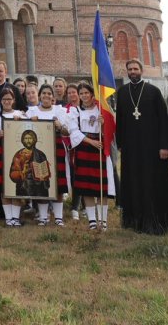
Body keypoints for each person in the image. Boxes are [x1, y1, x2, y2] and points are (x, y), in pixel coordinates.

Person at [115, 61, 168, 235]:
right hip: (131, 147)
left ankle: (157, 219)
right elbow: (120, 119)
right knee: (134, 181)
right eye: (130, 69)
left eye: (135, 69)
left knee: (153, 182)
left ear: (141, 71)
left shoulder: (153, 91)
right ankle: (135, 220)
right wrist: (120, 143)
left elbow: (163, 119)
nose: (133, 71)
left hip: (153, 147)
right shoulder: (122, 92)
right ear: (127, 72)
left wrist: (164, 145)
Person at [70, 81, 118, 230]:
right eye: (81, 93)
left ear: (92, 94)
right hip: (84, 148)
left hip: (100, 149)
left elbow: (111, 130)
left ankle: (103, 221)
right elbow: (74, 131)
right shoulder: (76, 111)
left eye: (86, 93)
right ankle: (92, 221)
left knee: (101, 187)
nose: (84, 96)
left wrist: (103, 123)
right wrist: (91, 142)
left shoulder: (101, 109)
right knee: (87, 186)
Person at [28, 85, 74, 226]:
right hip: (38, 151)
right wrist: (30, 122)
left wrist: (60, 126)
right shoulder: (32, 111)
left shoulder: (59, 111)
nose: (46, 96)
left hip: (56, 148)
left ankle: (58, 217)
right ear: (40, 95)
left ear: (53, 97)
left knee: (58, 182)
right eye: (44, 93)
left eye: (49, 93)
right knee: (41, 181)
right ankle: (43, 217)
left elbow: (67, 132)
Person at [0, 88, 26, 226]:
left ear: (13, 100)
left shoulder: (21, 115)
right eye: (4, 99)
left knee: (17, 183)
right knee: (4, 186)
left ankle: (16, 218)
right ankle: (9, 219)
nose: (7, 101)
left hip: (18, 153)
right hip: (0, 152)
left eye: (9, 99)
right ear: (0, 101)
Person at [8, 127, 50, 199]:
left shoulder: (41, 154)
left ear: (34, 139)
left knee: (41, 202)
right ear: (23, 140)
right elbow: (13, 174)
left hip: (39, 189)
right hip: (23, 188)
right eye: (26, 138)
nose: (28, 141)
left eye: (30, 138)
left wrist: (43, 175)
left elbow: (45, 172)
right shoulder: (19, 155)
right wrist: (22, 172)